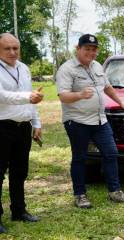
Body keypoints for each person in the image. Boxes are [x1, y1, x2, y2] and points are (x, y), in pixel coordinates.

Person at [56, 34, 124, 208]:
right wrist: (79, 94)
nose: (91, 53)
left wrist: (121, 102)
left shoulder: (98, 66)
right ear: (78, 49)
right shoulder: (67, 69)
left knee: (111, 153)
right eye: (87, 49)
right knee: (80, 158)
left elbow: (107, 87)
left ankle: (115, 192)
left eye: (94, 49)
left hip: (100, 120)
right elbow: (63, 96)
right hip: (77, 121)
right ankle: (80, 195)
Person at [0, 33, 43, 233]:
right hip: (2, 127)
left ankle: (19, 210)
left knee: (20, 172)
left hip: (22, 127)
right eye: (7, 48)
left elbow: (32, 96)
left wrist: (36, 122)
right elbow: (3, 96)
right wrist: (28, 97)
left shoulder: (24, 68)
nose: (12, 52)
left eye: (15, 48)